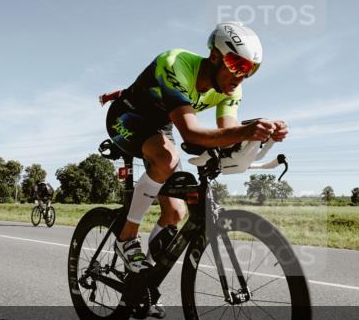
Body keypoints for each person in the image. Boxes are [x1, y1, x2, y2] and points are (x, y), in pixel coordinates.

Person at [104, 21, 288, 274]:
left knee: (176, 213)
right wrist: (246, 131)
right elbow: (190, 132)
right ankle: (126, 238)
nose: (241, 76)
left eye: (250, 70)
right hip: (128, 117)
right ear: (214, 56)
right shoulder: (175, 63)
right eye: (237, 65)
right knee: (166, 159)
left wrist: (261, 133)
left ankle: (143, 279)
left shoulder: (231, 88)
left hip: (162, 124)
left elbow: (227, 132)